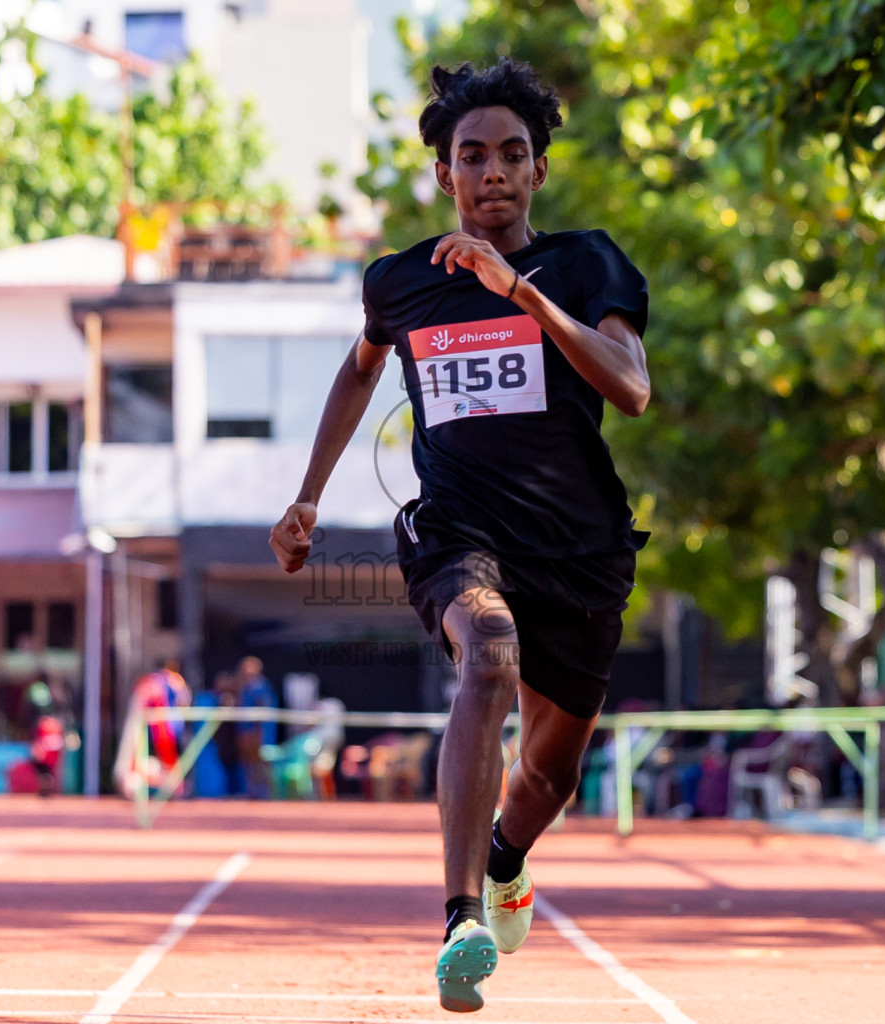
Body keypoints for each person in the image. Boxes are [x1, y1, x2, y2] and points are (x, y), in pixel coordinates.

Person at [269, 59, 651, 1012]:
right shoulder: (400, 284)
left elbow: (631, 387)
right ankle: (460, 916)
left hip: (580, 549)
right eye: (471, 155)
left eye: (512, 155)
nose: (492, 172)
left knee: (552, 773)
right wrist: (309, 495)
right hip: (458, 533)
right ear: (444, 173)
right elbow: (360, 370)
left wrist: (519, 292)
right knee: (488, 654)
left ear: (539, 171)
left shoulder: (587, 264)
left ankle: (507, 856)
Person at [234, 657, 278, 800]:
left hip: (258, 735)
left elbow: (264, 712)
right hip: (245, 733)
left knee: (261, 765)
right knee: (248, 765)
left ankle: (266, 795)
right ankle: (252, 793)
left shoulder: (261, 686)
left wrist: (259, 735)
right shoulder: (244, 687)